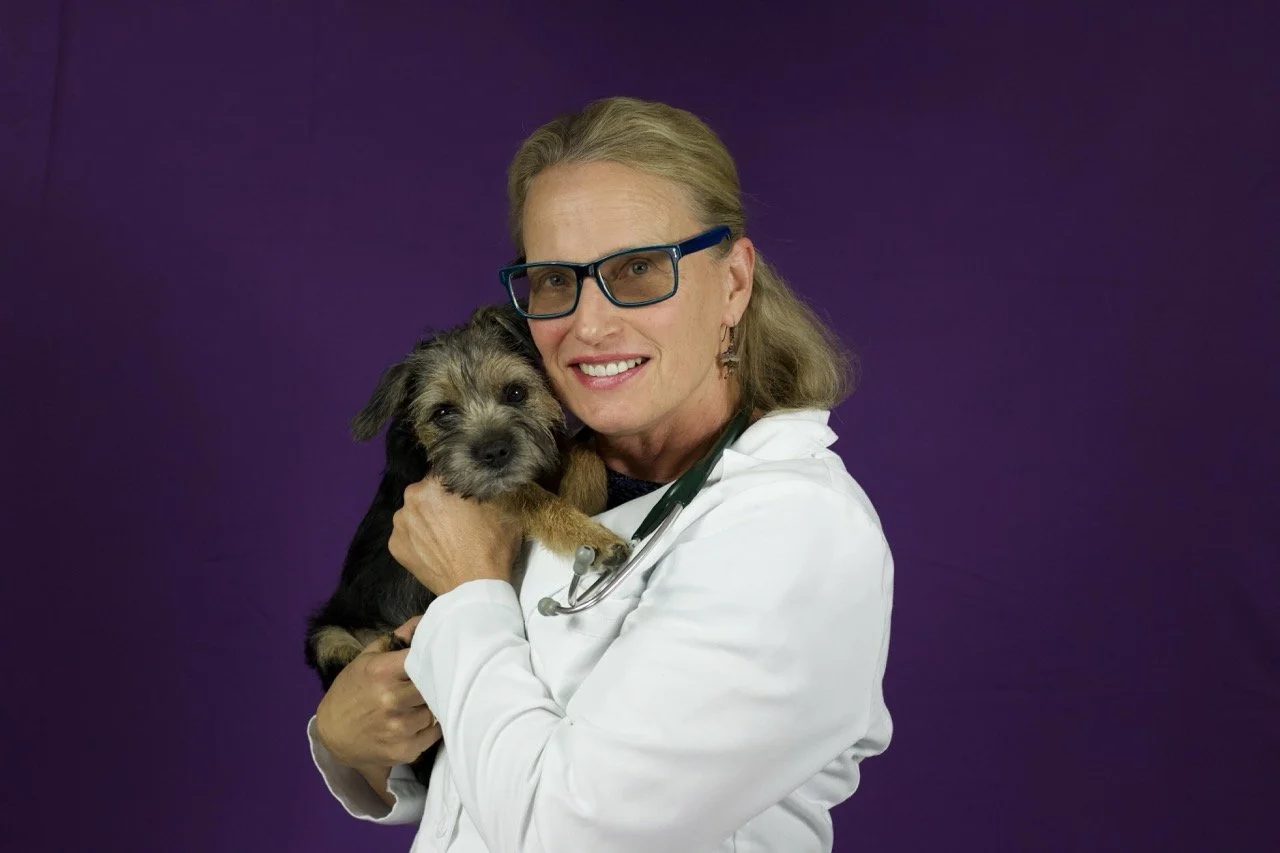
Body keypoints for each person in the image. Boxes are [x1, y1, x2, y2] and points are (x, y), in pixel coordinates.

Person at [306, 96, 894, 853]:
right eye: (555, 280)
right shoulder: (554, 483)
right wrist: (350, 741)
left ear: (734, 283)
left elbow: (571, 830)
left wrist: (471, 591)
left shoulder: (795, 531)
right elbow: (484, 767)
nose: (588, 323)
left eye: (640, 268)